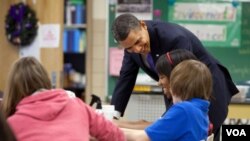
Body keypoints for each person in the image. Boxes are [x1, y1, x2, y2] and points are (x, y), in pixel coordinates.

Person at [111, 13, 239, 141]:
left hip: (209, 87)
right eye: (129, 48)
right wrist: (113, 116)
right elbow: (125, 78)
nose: (137, 49)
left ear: (143, 25)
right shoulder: (131, 48)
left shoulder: (174, 38)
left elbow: (182, 76)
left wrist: (108, 129)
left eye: (138, 41)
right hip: (180, 93)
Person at [1, 57, 125, 141]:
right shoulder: (76, 105)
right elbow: (116, 135)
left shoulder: (11, 126)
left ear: (14, 90)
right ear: (45, 80)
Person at [121, 60, 213, 141]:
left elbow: (142, 138)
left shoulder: (184, 110)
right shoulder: (200, 111)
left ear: (176, 86)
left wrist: (109, 129)